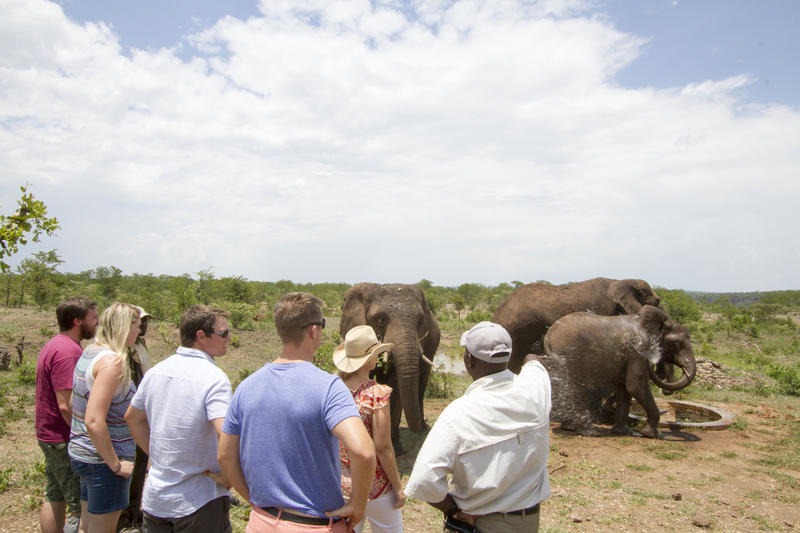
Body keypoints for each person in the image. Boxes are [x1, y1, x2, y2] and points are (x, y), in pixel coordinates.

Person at [218, 292, 376, 533]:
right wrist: (357, 505)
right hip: (315, 524)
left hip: (261, 522)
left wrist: (255, 501)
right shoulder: (329, 387)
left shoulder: (246, 387)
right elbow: (364, 452)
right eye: (322, 326)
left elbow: (225, 457)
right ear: (314, 330)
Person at [405, 321, 551, 533]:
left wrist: (453, 509)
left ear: (468, 360)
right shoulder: (536, 390)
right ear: (507, 357)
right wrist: (531, 358)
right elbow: (534, 367)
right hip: (527, 522)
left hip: (478, 524)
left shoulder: (458, 414)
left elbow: (424, 481)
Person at [125, 305, 233, 533]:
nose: (229, 338)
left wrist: (157, 455)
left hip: (157, 499)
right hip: (199, 500)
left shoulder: (157, 371)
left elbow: (132, 418)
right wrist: (229, 475)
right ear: (200, 336)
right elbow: (227, 433)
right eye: (223, 333)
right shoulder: (214, 378)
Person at [69, 303, 141, 533]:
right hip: (103, 462)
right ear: (124, 327)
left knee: (86, 525)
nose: (139, 332)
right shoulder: (112, 363)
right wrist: (116, 464)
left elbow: (75, 404)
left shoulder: (90, 352)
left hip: (83, 454)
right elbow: (93, 419)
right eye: (137, 326)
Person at [35, 296, 98, 533]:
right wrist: (83, 436)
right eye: (94, 317)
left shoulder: (56, 343)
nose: (97, 322)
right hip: (62, 437)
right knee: (78, 506)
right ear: (77, 321)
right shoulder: (68, 352)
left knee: (55, 494)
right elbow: (66, 404)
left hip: (50, 434)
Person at [334, 325, 406, 533]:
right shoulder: (377, 394)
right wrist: (398, 487)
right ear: (371, 359)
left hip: (342, 486)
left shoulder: (333, 391)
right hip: (377, 487)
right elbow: (382, 447)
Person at [117, 306, 151, 532]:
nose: (144, 327)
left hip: (141, 411)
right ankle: (122, 515)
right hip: (126, 416)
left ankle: (133, 510)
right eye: (140, 322)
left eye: (146, 322)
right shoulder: (120, 352)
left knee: (140, 463)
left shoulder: (140, 345)